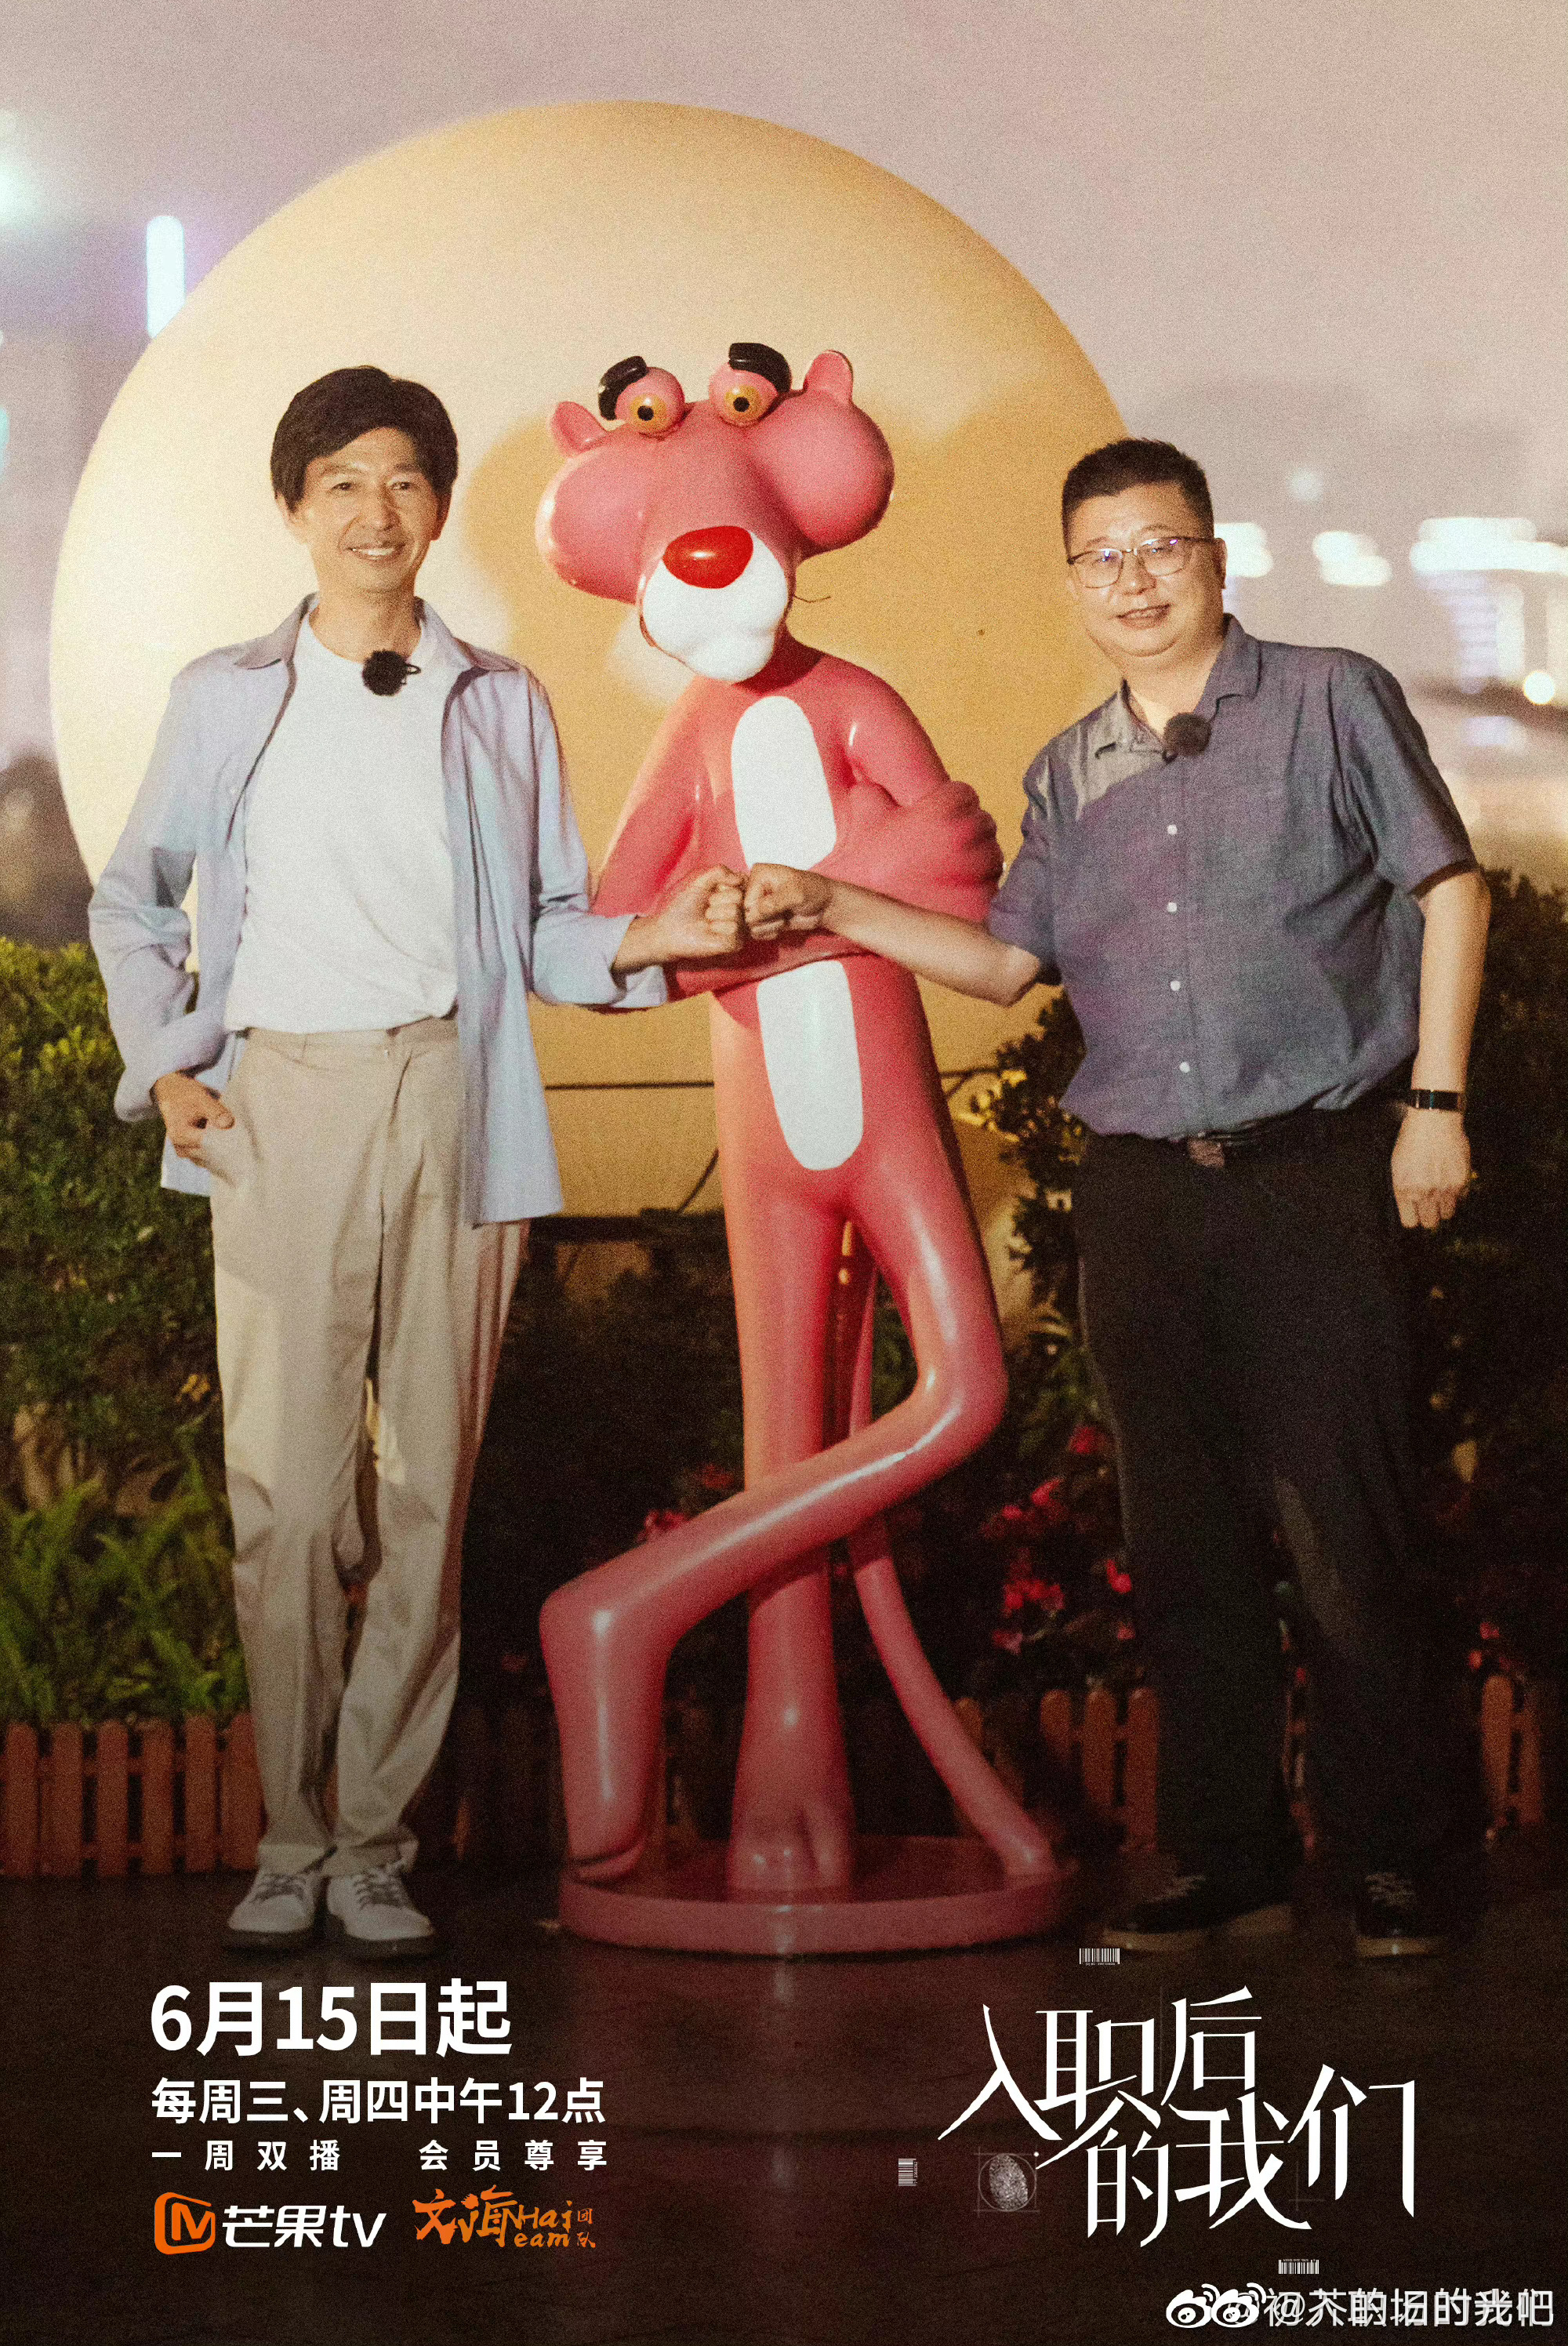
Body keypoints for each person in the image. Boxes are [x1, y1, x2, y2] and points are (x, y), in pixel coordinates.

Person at [742, 436, 1490, 1960]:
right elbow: (1008, 964)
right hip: (1142, 1196)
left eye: (1159, 547)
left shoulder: (1328, 698)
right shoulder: (1068, 770)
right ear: (1073, 583)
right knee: (1186, 1539)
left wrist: (1436, 1105)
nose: (1132, 580)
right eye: (1101, 557)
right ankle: (1228, 1856)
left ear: (1215, 557)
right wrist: (833, 903)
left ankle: (1395, 1854)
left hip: (1311, 1170)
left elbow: (1450, 887)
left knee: (1345, 1529)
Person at [91, 365, 741, 1952]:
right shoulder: (227, 693)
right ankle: (290, 1835)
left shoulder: (497, 698)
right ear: (294, 506)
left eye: (403, 481)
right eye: (342, 482)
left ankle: (373, 1843)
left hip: (454, 1089)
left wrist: (655, 935)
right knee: (288, 1501)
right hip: (280, 1099)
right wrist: (166, 1061)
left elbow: (549, 926)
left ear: (439, 507)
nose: (374, 512)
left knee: (427, 1491)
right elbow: (133, 896)